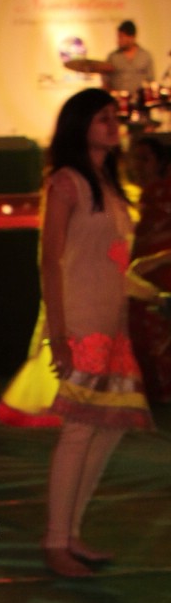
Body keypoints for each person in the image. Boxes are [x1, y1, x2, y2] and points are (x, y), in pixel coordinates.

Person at [40, 89, 152, 577]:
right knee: (81, 430)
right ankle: (56, 543)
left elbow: (112, 262)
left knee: (107, 430)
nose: (114, 124)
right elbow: (51, 261)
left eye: (115, 117)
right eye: (103, 117)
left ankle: (72, 532)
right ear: (80, 124)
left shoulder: (109, 184)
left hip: (113, 323)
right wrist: (59, 332)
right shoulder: (67, 184)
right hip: (83, 323)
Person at [127, 133, 171, 404]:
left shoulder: (164, 192)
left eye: (145, 159)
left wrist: (159, 259)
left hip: (162, 275)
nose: (139, 165)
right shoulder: (135, 196)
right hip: (137, 279)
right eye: (135, 159)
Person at [104, 21, 155, 103]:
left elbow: (151, 80)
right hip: (118, 103)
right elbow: (106, 82)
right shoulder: (112, 57)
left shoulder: (145, 56)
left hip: (140, 103)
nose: (118, 40)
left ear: (132, 37)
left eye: (121, 37)